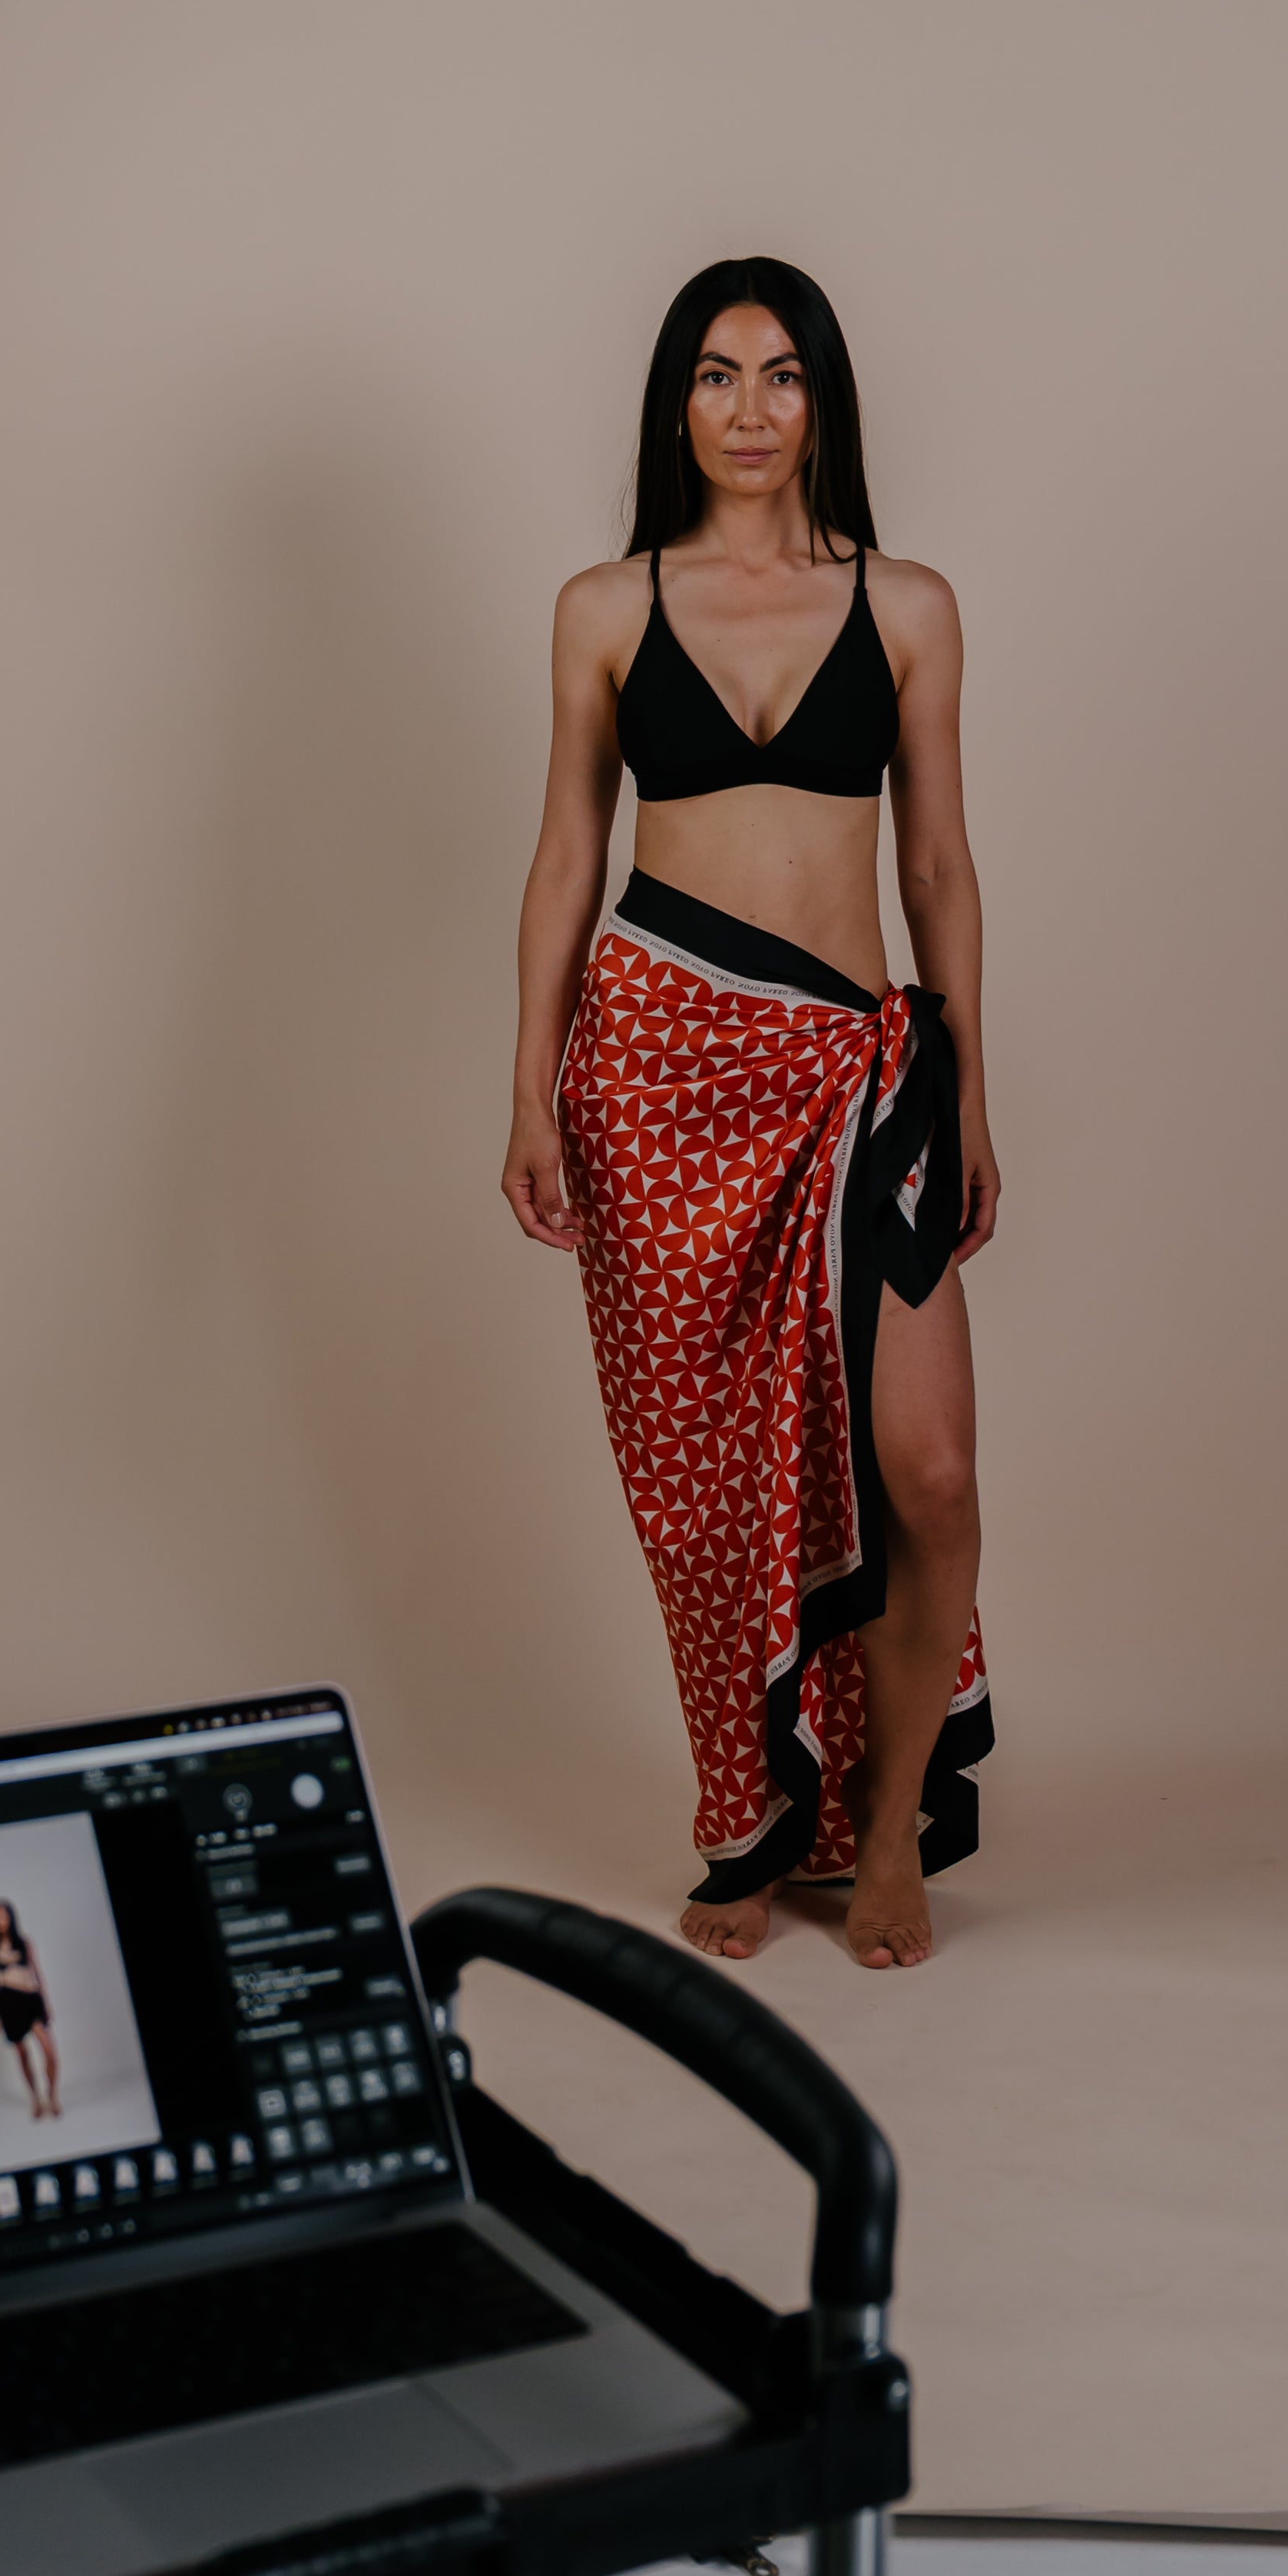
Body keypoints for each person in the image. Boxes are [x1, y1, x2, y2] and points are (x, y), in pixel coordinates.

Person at [503, 257, 997, 1973]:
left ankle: (888, 1831)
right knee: (707, 1494)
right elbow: (569, 855)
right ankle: (753, 1823)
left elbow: (934, 861)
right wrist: (530, 1091)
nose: (750, 411)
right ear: (675, 404)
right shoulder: (603, 608)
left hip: (860, 1074)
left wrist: (971, 1088)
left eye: (784, 377)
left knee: (928, 1469)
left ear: (826, 402)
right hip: (653, 1071)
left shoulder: (911, 605)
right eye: (716, 377)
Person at [0, 1898, 60, 2116]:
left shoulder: (24, 1943)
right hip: (8, 2003)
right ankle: (36, 2098)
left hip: (31, 2000)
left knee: (50, 2052)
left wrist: (46, 2003)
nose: (2, 1919)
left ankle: (52, 2096)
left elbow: (38, 1973)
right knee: (23, 2055)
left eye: (5, 1915)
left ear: (11, 1917)